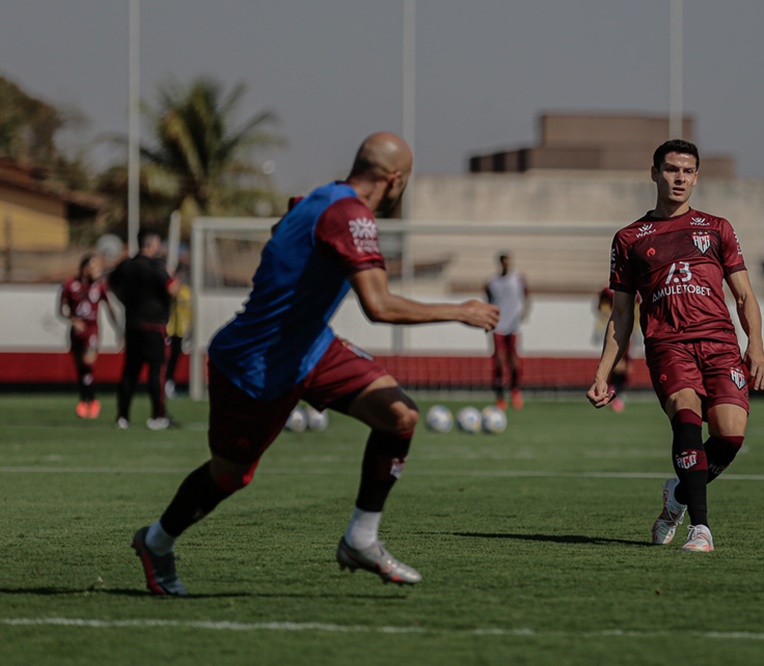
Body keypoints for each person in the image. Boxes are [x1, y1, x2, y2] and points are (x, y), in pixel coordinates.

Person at [131, 132, 499, 596]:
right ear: (395, 179)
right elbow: (379, 305)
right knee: (230, 475)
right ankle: (157, 541)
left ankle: (360, 539)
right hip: (255, 362)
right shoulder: (350, 214)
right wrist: (459, 311)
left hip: (312, 348)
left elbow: (288, 225)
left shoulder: (321, 197)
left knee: (399, 415)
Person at [587, 139, 764, 553]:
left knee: (730, 436)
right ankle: (700, 529)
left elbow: (744, 295)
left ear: (697, 177)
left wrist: (755, 344)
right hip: (668, 345)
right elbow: (620, 315)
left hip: (720, 345)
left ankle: (679, 495)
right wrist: (601, 374)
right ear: (654, 173)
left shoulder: (718, 228)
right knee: (686, 416)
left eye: (687, 171)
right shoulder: (630, 238)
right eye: (671, 169)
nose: (679, 178)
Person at [108, 229, 179, 430]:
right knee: (157, 372)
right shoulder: (156, 266)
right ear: (152, 244)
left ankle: (122, 416)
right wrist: (173, 277)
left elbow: (112, 285)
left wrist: (127, 302)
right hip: (155, 325)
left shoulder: (126, 266)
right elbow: (173, 289)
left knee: (130, 372)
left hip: (133, 323)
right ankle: (158, 415)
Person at [58, 254, 120, 418]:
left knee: (87, 365)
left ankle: (90, 401)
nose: (98, 271)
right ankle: (86, 399)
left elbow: (110, 308)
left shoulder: (100, 287)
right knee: (81, 369)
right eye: (95, 268)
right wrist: (73, 320)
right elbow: (61, 310)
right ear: (85, 269)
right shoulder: (70, 285)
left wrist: (119, 331)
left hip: (92, 330)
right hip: (76, 331)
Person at [485, 252, 530, 410]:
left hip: (513, 326)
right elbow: (488, 300)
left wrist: (525, 311)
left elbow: (526, 295)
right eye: (503, 262)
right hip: (498, 325)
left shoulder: (518, 279)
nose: (506, 264)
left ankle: (515, 391)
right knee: (498, 360)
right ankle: (500, 396)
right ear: (500, 263)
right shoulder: (492, 282)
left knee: (514, 360)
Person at [164, 264, 192, 399]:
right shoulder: (168, 291)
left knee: (175, 357)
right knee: (165, 358)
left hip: (180, 330)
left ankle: (169, 382)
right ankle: (164, 383)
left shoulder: (186, 292)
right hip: (168, 329)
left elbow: (190, 312)